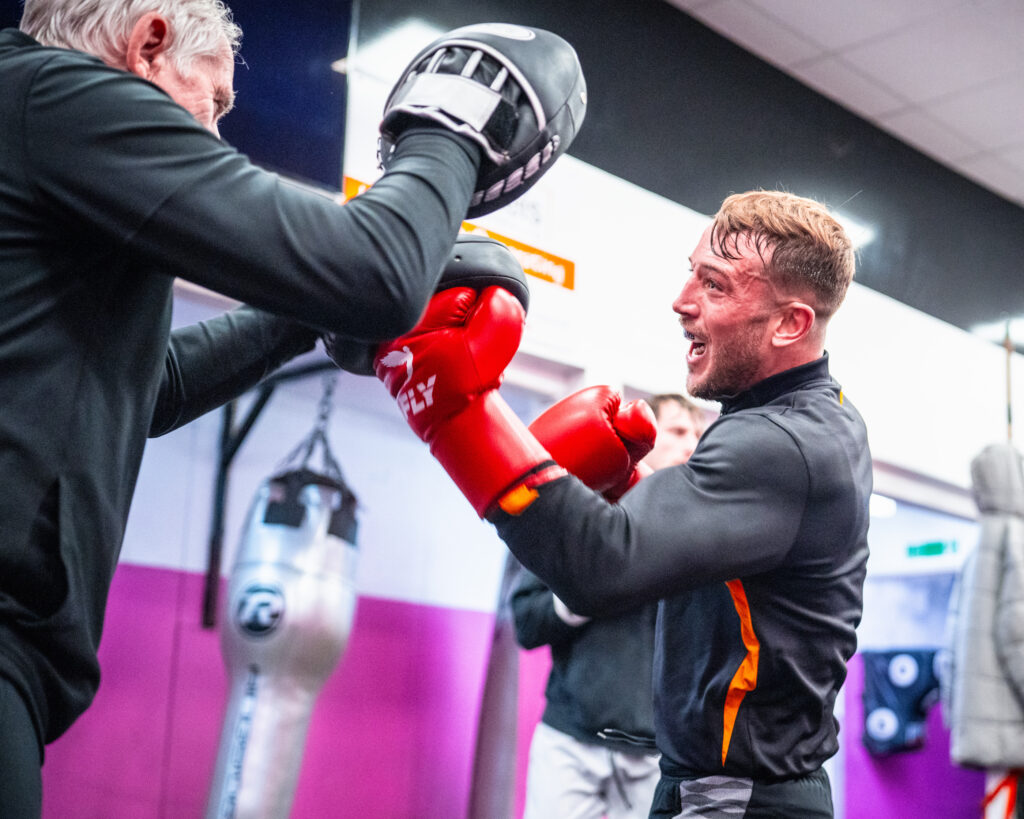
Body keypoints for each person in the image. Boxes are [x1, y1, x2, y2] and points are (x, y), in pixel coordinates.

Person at [0, 3, 581, 815]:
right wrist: (453, 127)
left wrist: (305, 314)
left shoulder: (34, 137)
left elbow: (146, 389)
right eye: (216, 102)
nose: (217, 133)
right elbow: (374, 272)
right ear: (151, 43)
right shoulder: (63, 98)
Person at [372, 190, 871, 817]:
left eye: (713, 285)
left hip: (737, 799)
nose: (681, 300)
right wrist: (629, 492)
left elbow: (601, 570)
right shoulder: (817, 418)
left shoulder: (780, 443)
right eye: (690, 271)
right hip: (715, 783)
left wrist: (460, 414)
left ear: (790, 323)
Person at [511, 393, 705, 819]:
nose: (691, 444)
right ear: (647, 440)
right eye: (677, 431)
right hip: (571, 741)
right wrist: (584, 594)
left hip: (656, 754)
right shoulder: (589, 511)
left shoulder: (698, 535)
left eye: (697, 434)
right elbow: (525, 622)